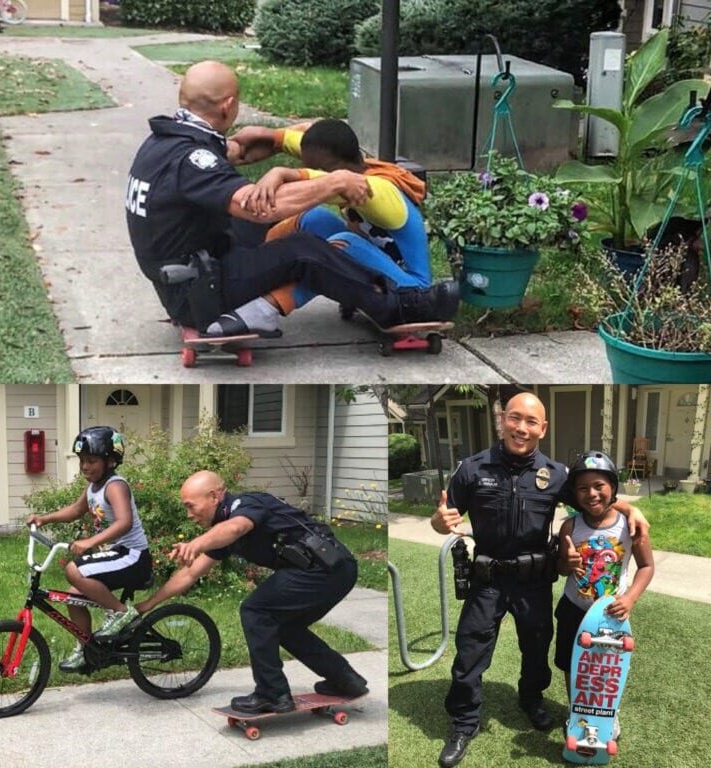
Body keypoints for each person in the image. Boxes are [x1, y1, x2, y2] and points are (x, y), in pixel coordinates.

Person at [125, 60, 459, 338]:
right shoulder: (195, 161)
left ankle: (321, 283)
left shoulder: (166, 142)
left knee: (287, 225)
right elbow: (260, 208)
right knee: (306, 250)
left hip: (185, 276)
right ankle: (399, 309)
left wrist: (274, 140)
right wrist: (335, 181)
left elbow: (235, 152)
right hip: (198, 291)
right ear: (229, 106)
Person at [429, 392, 650, 767]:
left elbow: (592, 498)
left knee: (536, 648)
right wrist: (438, 523)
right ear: (503, 420)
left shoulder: (557, 474)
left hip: (534, 580)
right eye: (515, 418)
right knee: (470, 653)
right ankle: (464, 723)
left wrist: (631, 506)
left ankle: (531, 699)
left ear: (542, 429)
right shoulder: (473, 468)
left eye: (531, 422)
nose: (522, 428)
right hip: (488, 579)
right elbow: (445, 513)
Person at [135, 470, 368, 714]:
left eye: (191, 506)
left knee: (255, 610)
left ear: (214, 496)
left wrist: (195, 543)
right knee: (286, 628)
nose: (189, 514)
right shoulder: (222, 528)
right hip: (330, 572)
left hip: (326, 569)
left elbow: (237, 527)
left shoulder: (245, 504)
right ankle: (345, 680)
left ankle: (272, 693)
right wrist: (149, 603)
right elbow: (190, 573)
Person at [224, 119, 432, 331]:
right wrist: (270, 136)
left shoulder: (379, 192)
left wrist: (282, 173)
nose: (316, 176)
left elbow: (327, 181)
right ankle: (251, 266)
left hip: (410, 290)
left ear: (338, 169)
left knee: (339, 246)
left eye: (320, 171)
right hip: (374, 268)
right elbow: (305, 146)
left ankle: (266, 309)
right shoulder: (351, 164)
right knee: (314, 218)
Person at [25, 427, 152, 671]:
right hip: (116, 555)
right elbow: (75, 510)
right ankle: (87, 650)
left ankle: (121, 613)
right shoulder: (93, 487)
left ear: (111, 461)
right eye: (82, 460)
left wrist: (89, 542)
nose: (85, 466)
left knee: (74, 571)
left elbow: (124, 522)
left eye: (92, 460)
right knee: (74, 598)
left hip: (133, 557)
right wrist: (44, 518)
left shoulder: (115, 486)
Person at [555, 449, 654, 737]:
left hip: (612, 614)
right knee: (572, 664)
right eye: (583, 488)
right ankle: (577, 710)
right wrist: (566, 562)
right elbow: (562, 569)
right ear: (574, 493)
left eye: (599, 485)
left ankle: (608, 712)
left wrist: (630, 598)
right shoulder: (570, 527)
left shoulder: (631, 525)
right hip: (574, 608)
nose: (592, 494)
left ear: (613, 487)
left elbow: (647, 566)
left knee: (608, 666)